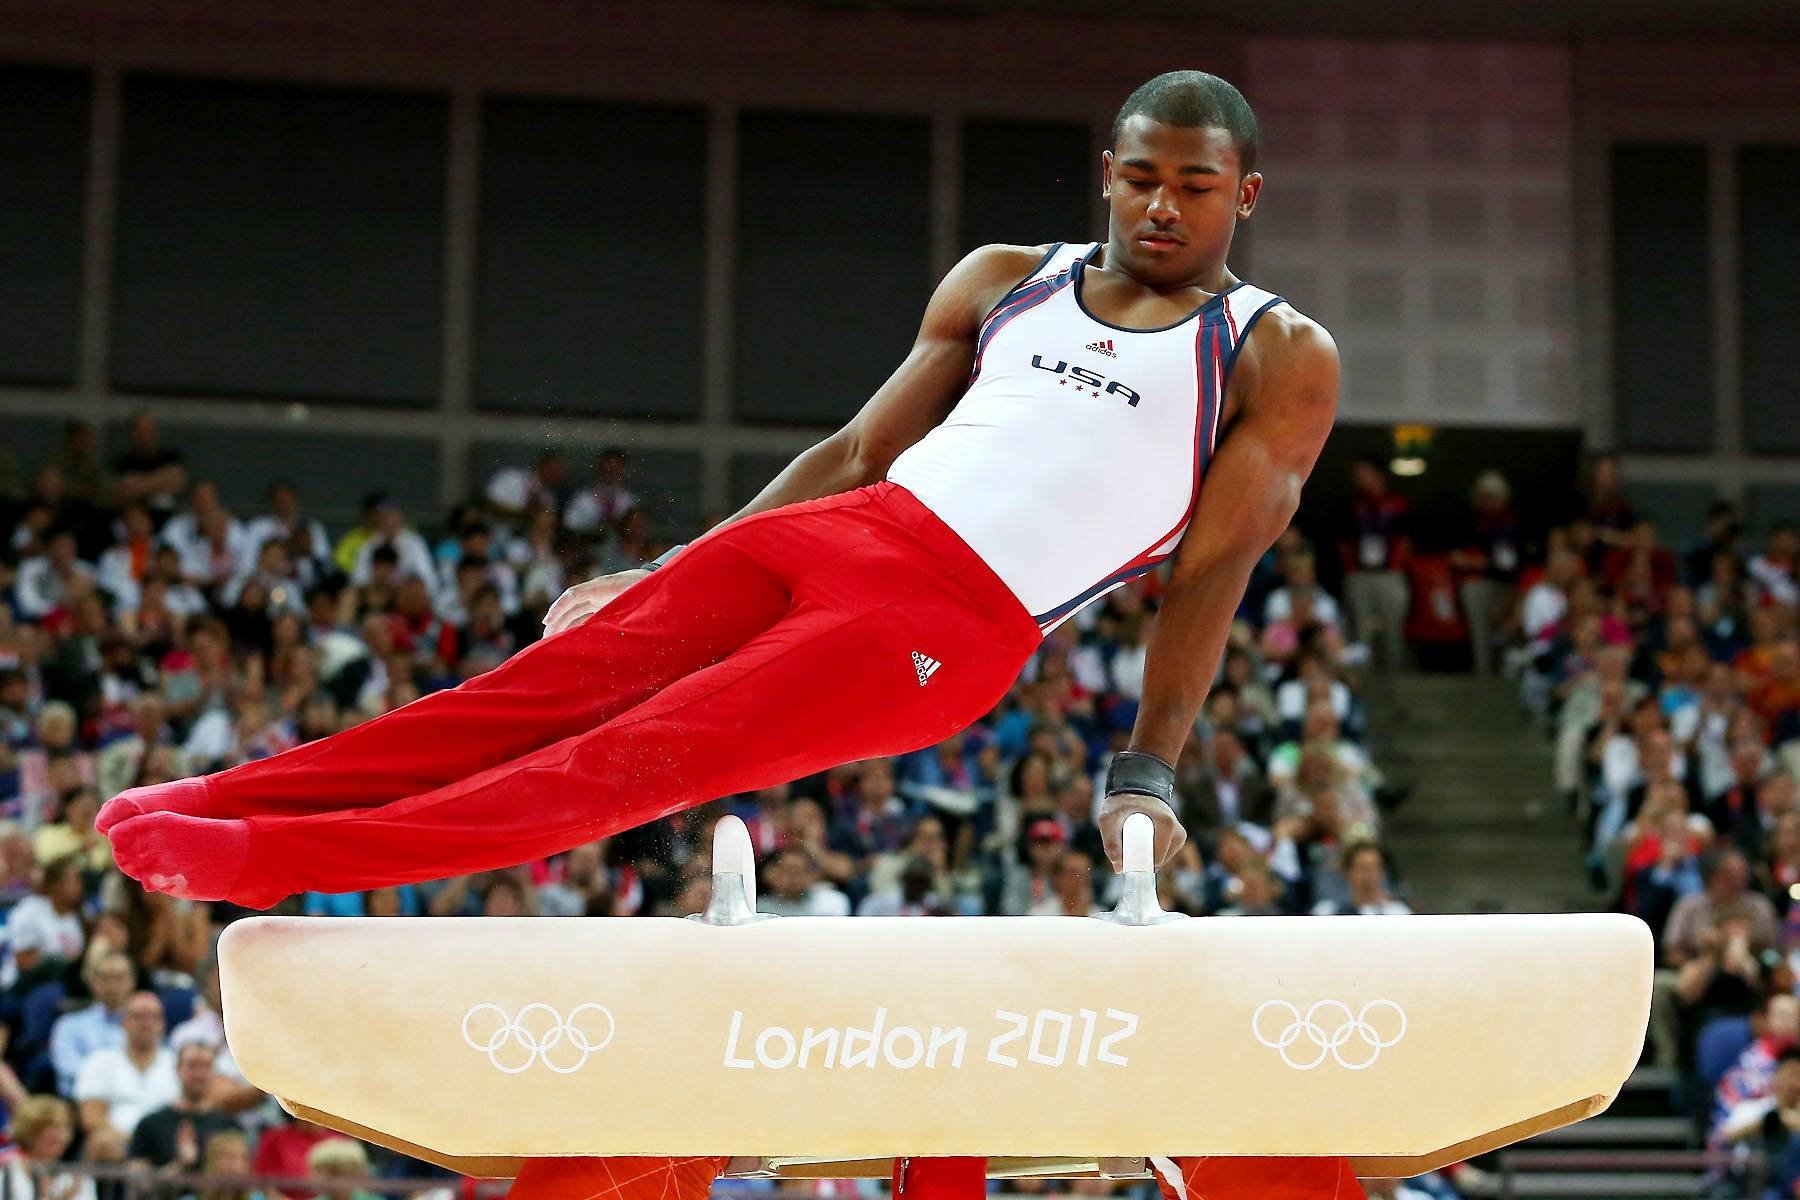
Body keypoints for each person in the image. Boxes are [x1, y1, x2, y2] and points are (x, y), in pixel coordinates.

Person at [102, 71, 1340, 958]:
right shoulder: (1012, 279)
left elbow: (1211, 575)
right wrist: (672, 568)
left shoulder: (1272, 353)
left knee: (623, 765)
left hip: (953, 621)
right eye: (1140, 178)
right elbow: (859, 448)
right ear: (1108, 175)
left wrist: (1148, 772)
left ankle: (267, 866)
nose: (1162, 207)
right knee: (521, 698)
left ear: (1247, 193)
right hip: (845, 529)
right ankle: (233, 799)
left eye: (1195, 185)